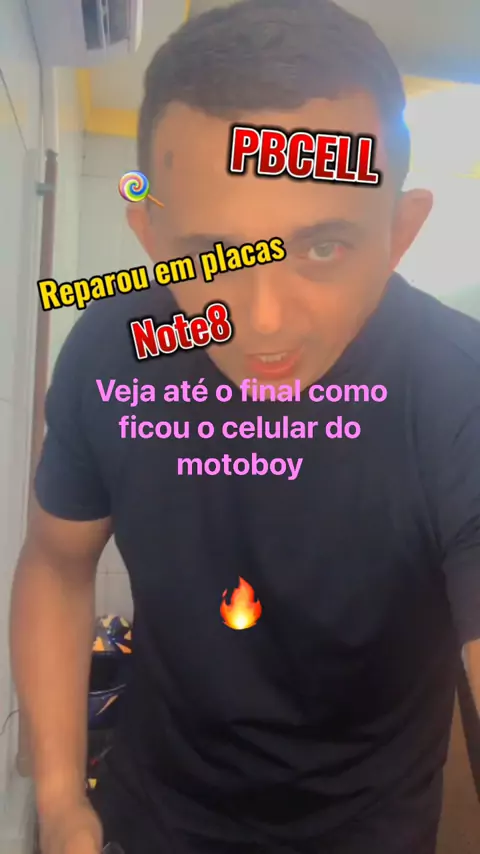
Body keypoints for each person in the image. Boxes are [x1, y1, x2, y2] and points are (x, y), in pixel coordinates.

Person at [10, 0, 480, 852]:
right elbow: (57, 560)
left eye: (323, 249)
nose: (262, 320)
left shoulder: (460, 390)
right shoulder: (113, 351)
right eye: (213, 256)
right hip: (150, 819)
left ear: (399, 234)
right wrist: (58, 800)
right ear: (152, 237)